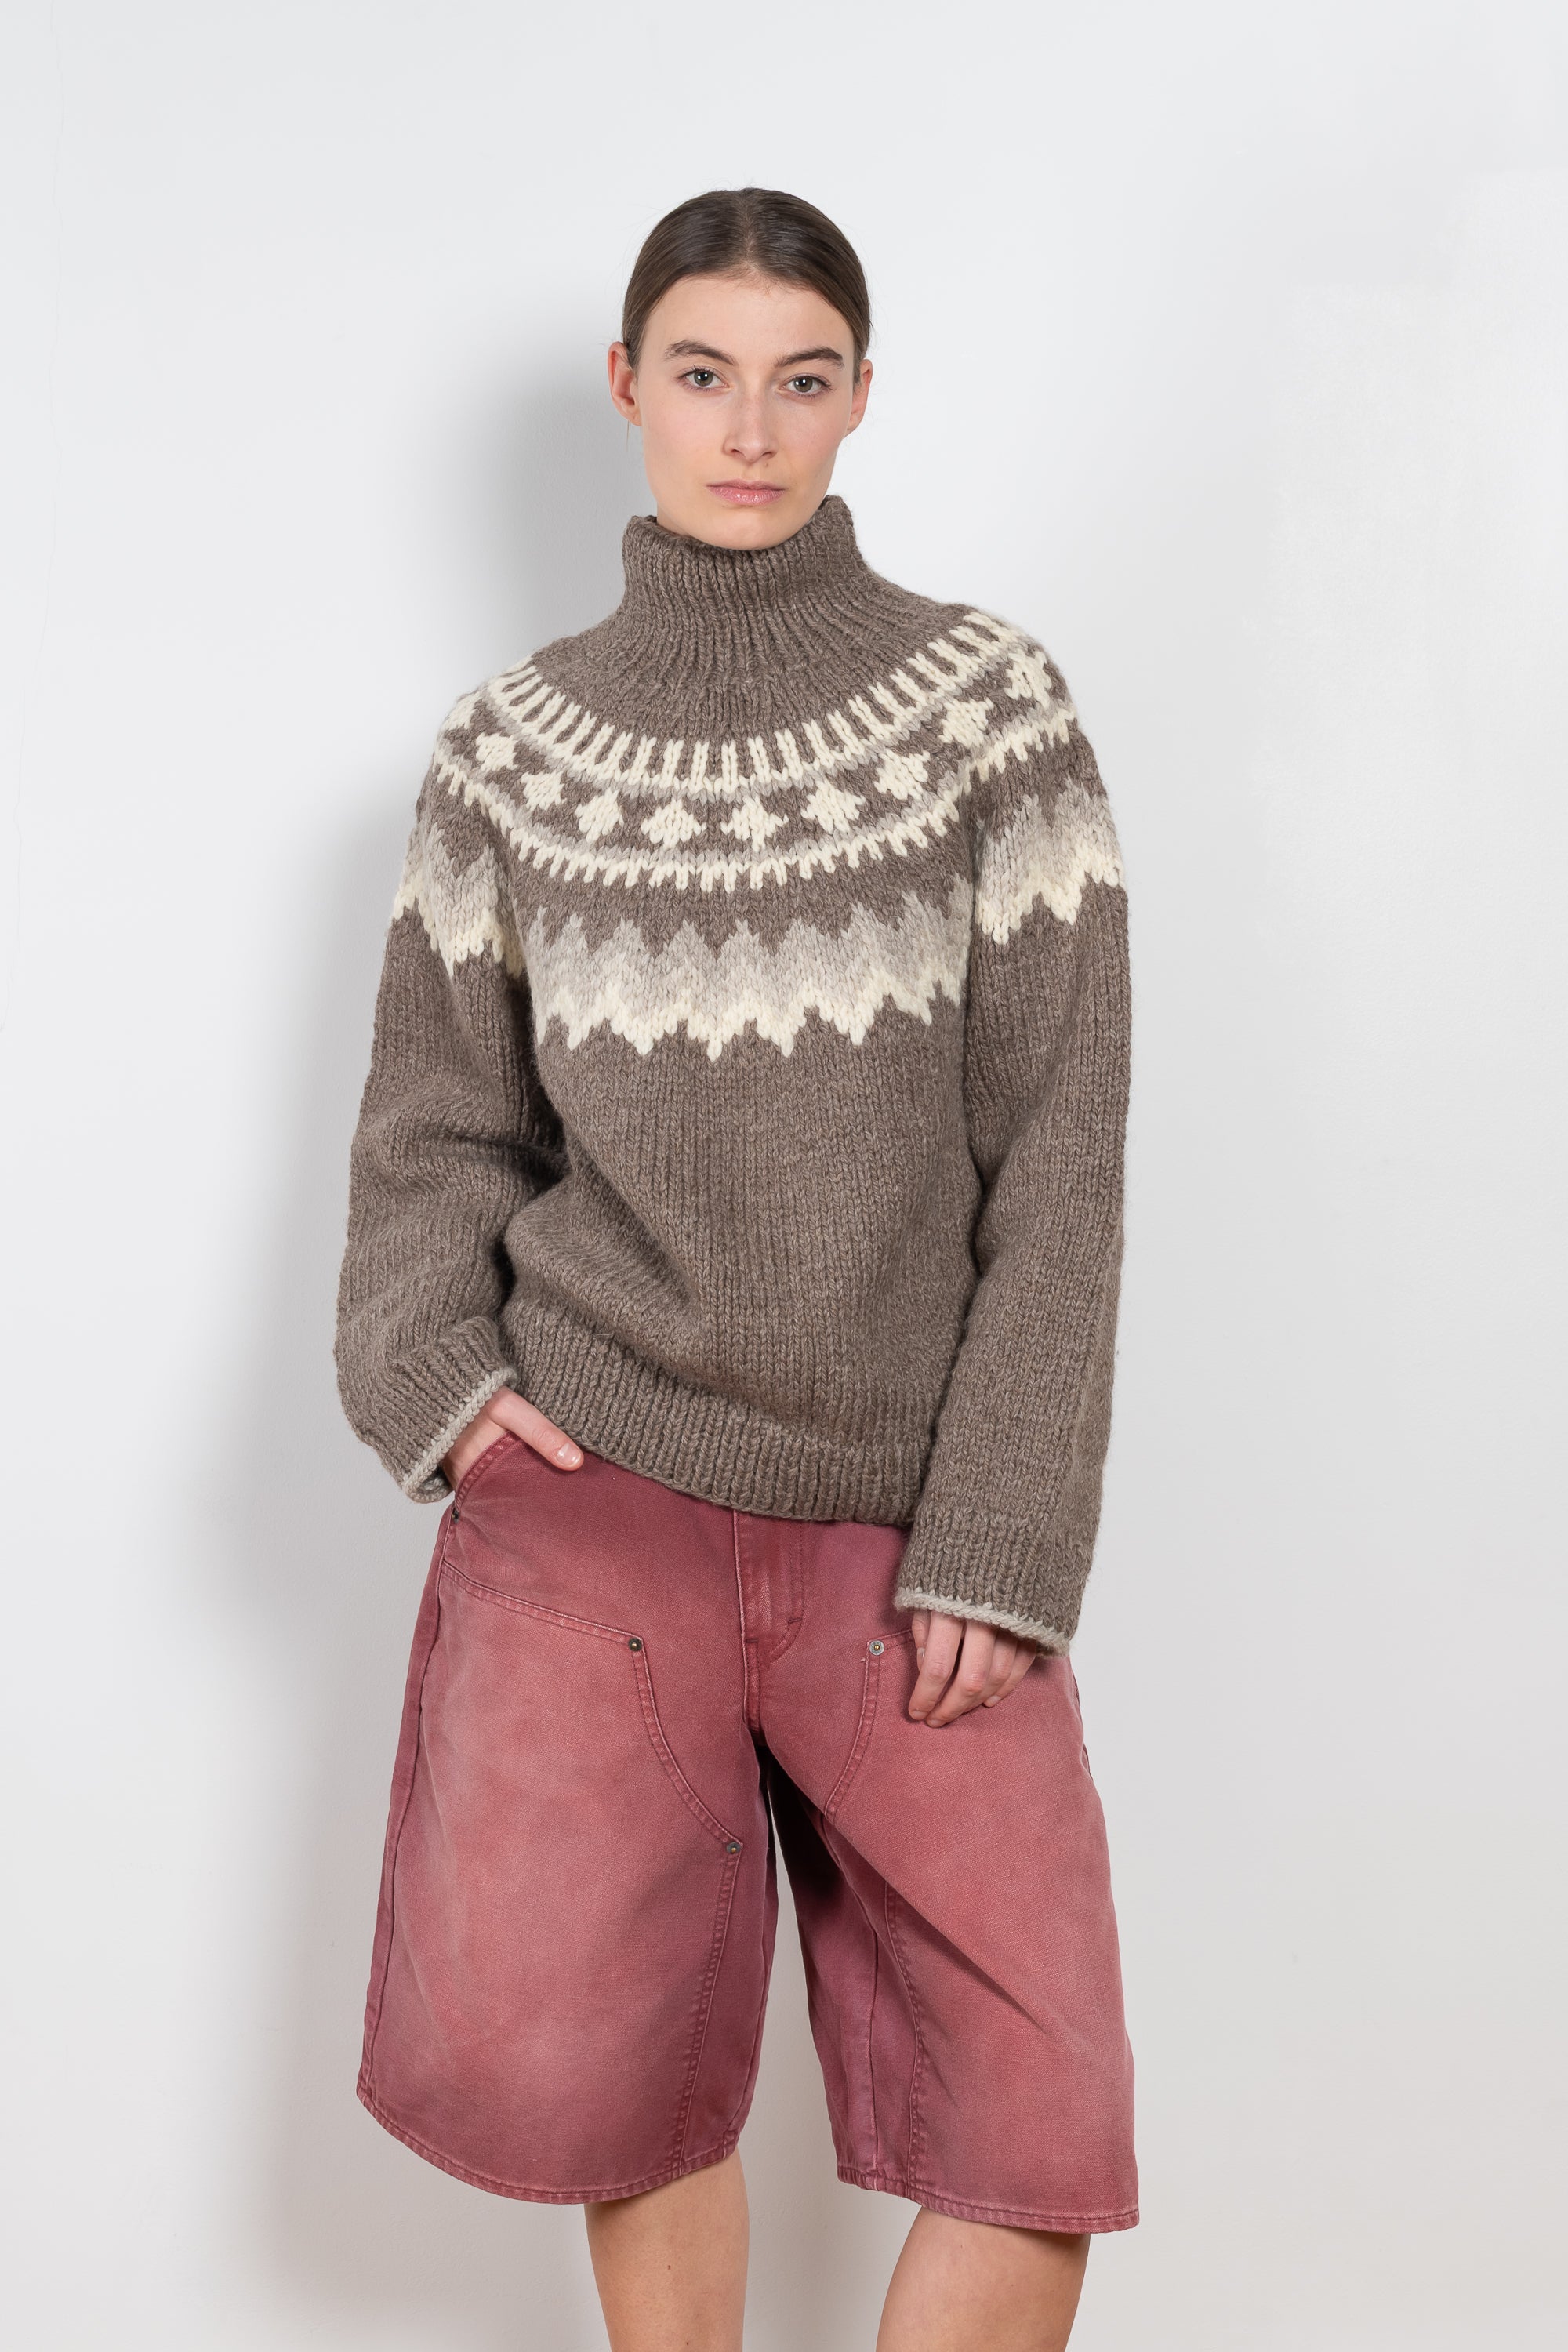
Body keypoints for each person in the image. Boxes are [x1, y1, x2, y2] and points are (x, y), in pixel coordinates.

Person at [334, 185, 1136, 2352]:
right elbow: (430, 1137)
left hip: (912, 1532)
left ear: (862, 396)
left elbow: (1062, 1152)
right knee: (629, 2086)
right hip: (599, 1506)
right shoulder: (510, 752)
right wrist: (443, 1393)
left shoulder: (991, 714)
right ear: (629, 387)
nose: (750, 429)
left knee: (1035, 2121)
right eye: (703, 375)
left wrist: (1004, 1533)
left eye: (800, 379)